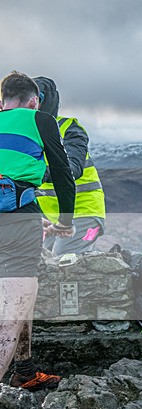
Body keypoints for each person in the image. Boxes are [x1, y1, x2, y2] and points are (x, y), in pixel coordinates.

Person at [0, 71, 75, 390]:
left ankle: (25, 370)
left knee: (22, 300)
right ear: (34, 101)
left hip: (20, 216)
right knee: (12, 311)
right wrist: (65, 222)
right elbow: (63, 174)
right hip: (19, 223)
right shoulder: (41, 119)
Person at [33, 77, 106, 255]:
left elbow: (73, 168)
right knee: (38, 263)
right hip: (52, 220)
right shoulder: (25, 135)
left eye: (37, 99)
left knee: (62, 259)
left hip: (85, 212)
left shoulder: (69, 128)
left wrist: (37, 173)